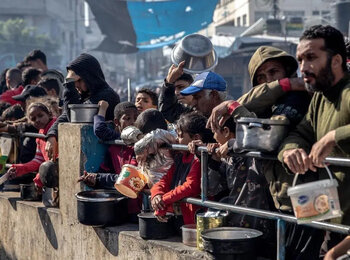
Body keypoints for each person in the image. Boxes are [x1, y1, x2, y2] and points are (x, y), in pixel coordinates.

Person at [277, 25, 350, 256]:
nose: (303, 68)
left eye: (311, 58)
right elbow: (300, 133)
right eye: (300, 60)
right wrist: (291, 151)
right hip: (330, 219)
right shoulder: (319, 98)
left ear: (336, 60)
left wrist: (333, 137)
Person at [45, 53, 120, 161]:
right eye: (73, 81)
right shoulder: (84, 95)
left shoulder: (106, 95)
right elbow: (66, 115)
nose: (76, 85)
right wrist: (52, 135)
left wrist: (69, 84)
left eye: (78, 80)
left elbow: (75, 117)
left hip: (104, 158)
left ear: (90, 77)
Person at [150, 112, 213, 225]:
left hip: (197, 217)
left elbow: (191, 186)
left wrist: (163, 200)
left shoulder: (199, 158)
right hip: (184, 216)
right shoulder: (181, 157)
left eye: (180, 136)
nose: (177, 140)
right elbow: (165, 179)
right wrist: (157, 194)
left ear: (196, 138)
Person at [5, 102, 57, 188]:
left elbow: (55, 161)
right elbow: (38, 160)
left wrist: (40, 177)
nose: (37, 120)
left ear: (49, 114)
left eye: (40, 115)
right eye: (33, 119)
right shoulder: (40, 135)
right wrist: (18, 169)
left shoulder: (56, 127)